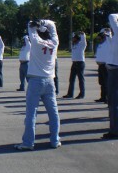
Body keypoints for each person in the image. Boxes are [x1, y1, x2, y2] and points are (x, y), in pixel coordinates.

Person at [14, 19, 61, 151]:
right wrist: (44, 23)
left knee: (31, 113)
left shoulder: (35, 42)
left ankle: (28, 142)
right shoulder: (54, 43)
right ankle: (55, 140)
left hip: (35, 80)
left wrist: (35, 24)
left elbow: (30, 25)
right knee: (53, 112)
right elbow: (53, 26)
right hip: (50, 80)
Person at [63, 31, 87, 99]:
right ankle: (70, 94)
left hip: (80, 63)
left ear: (77, 39)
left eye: (74, 38)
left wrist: (83, 34)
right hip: (74, 63)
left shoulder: (81, 45)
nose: (72, 39)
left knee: (81, 79)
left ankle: (82, 94)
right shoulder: (74, 45)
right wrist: (73, 33)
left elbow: (83, 40)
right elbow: (72, 36)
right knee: (71, 79)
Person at [94, 28, 112, 103]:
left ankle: (108, 98)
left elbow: (109, 37)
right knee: (101, 82)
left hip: (105, 65)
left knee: (106, 82)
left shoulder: (108, 43)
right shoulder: (100, 44)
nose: (99, 39)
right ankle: (103, 97)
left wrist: (108, 32)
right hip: (100, 65)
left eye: (100, 37)